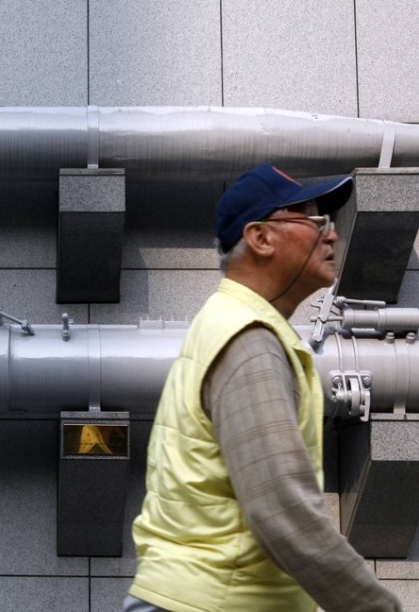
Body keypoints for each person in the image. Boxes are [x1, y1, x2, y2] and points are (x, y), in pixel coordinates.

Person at [124, 165, 403, 612]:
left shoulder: (233, 325)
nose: (330, 235)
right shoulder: (248, 340)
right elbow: (280, 509)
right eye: (312, 220)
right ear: (260, 238)